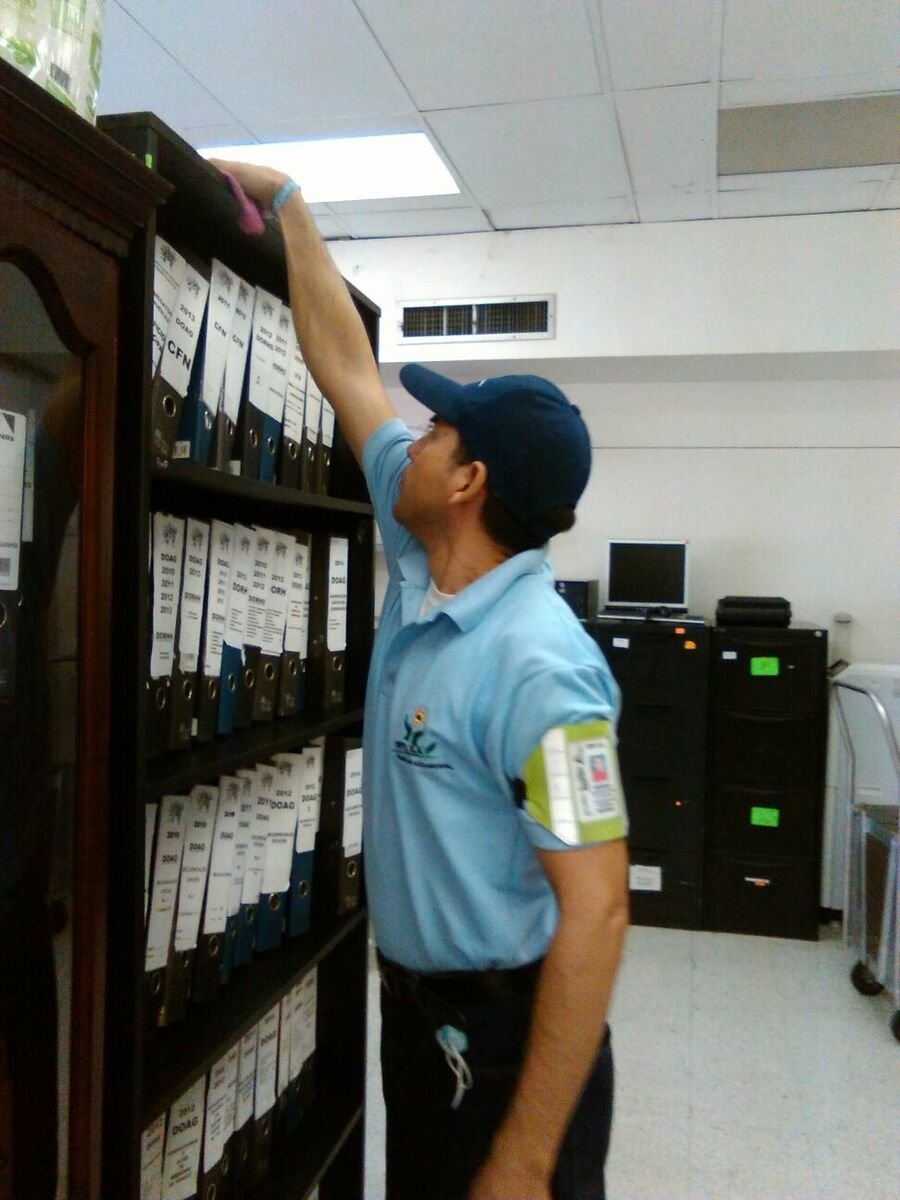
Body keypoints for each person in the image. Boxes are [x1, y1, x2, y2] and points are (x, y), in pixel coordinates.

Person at [213, 160, 630, 1200]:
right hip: (418, 1020)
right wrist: (291, 206)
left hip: (508, 1042)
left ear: (468, 482)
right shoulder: (421, 554)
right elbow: (347, 371)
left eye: (437, 432)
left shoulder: (543, 670)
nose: (415, 435)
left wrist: (525, 1158)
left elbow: (598, 913)